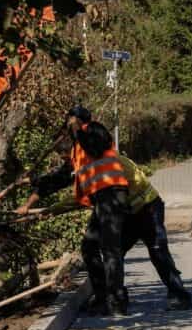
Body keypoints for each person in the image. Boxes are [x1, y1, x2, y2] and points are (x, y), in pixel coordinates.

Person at [35, 151, 192, 311]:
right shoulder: (88, 165)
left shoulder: (108, 164)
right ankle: (115, 298)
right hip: (126, 213)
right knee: (113, 254)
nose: (70, 163)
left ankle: (179, 295)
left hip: (147, 208)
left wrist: (54, 209)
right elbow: (77, 191)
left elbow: (90, 197)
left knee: (158, 251)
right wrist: (48, 206)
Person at [16, 107, 130, 315]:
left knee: (110, 249)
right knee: (89, 247)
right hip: (102, 200)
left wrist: (77, 127)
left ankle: (116, 301)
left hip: (112, 194)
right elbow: (60, 178)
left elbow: (95, 147)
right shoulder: (77, 150)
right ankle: (104, 295)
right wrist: (30, 192)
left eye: (69, 121)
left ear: (76, 120)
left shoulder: (95, 130)